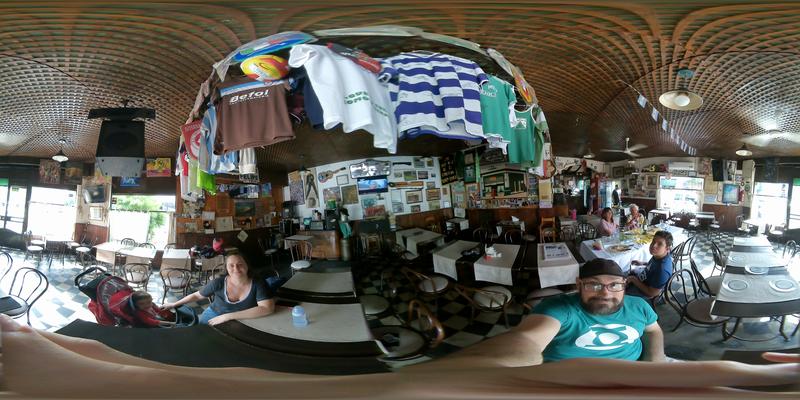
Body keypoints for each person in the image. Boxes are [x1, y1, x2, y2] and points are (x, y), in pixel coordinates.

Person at [2, 314, 799, 398]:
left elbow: (656, 349)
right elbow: (536, 347)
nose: (606, 293)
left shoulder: (643, 311)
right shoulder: (556, 315)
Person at [508, 259, 664, 363]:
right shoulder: (557, 309)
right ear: (579, 285)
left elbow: (653, 331)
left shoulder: (639, 306)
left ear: (624, 284)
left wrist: (654, 363)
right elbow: (526, 340)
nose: (605, 294)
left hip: (633, 378)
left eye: (614, 285)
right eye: (594, 285)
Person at [163, 254, 274, 325]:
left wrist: (228, 316)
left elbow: (267, 308)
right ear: (226, 268)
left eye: (240, 264)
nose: (236, 268)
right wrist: (174, 304)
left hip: (245, 317)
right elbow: (197, 295)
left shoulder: (258, 283)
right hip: (214, 313)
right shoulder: (218, 282)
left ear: (247, 265)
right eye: (231, 265)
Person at [627, 231, 673, 299]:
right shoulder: (659, 256)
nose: (654, 246)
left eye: (660, 244)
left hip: (644, 292)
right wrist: (643, 263)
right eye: (653, 241)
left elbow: (652, 293)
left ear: (667, 248)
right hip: (642, 278)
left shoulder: (662, 270)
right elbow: (654, 266)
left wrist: (634, 280)